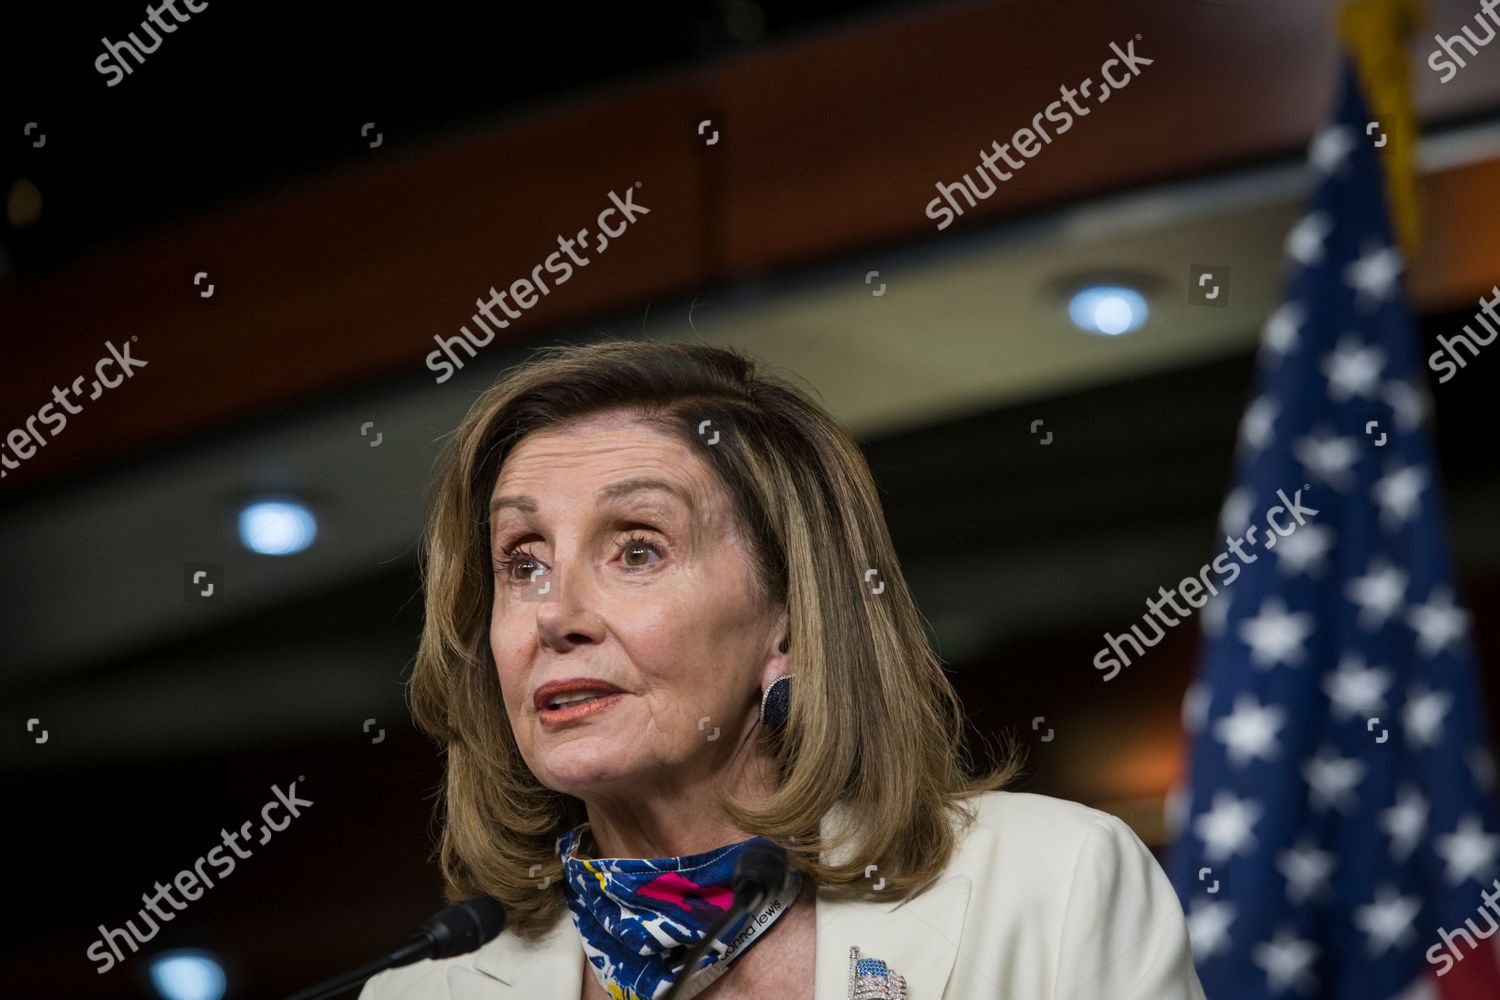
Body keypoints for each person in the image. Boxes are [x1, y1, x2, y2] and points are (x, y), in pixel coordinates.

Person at [360, 339, 1206, 1000]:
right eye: (524, 562)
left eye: (638, 549)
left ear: (791, 617)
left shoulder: (1048, 887)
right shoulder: (424, 988)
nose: (557, 615)